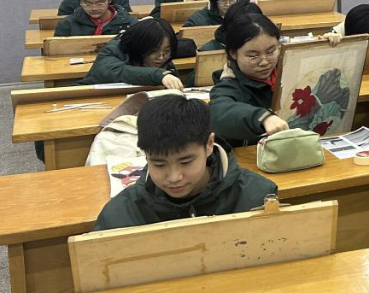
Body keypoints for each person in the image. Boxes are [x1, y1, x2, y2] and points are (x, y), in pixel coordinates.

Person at [93, 96, 277, 231]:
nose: (174, 177)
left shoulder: (258, 196)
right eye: (159, 164)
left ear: (209, 144)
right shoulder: (120, 215)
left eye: (186, 161)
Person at [209, 13, 290, 147]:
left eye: (271, 52)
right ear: (233, 53)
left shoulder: (289, 68)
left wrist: (326, 46)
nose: (264, 62)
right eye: (253, 56)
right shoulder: (229, 86)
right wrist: (263, 117)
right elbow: (217, 112)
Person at [81, 18, 189, 89]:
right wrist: (158, 75)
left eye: (167, 51)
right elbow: (118, 72)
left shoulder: (165, 60)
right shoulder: (112, 50)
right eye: (154, 51)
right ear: (140, 46)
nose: (161, 57)